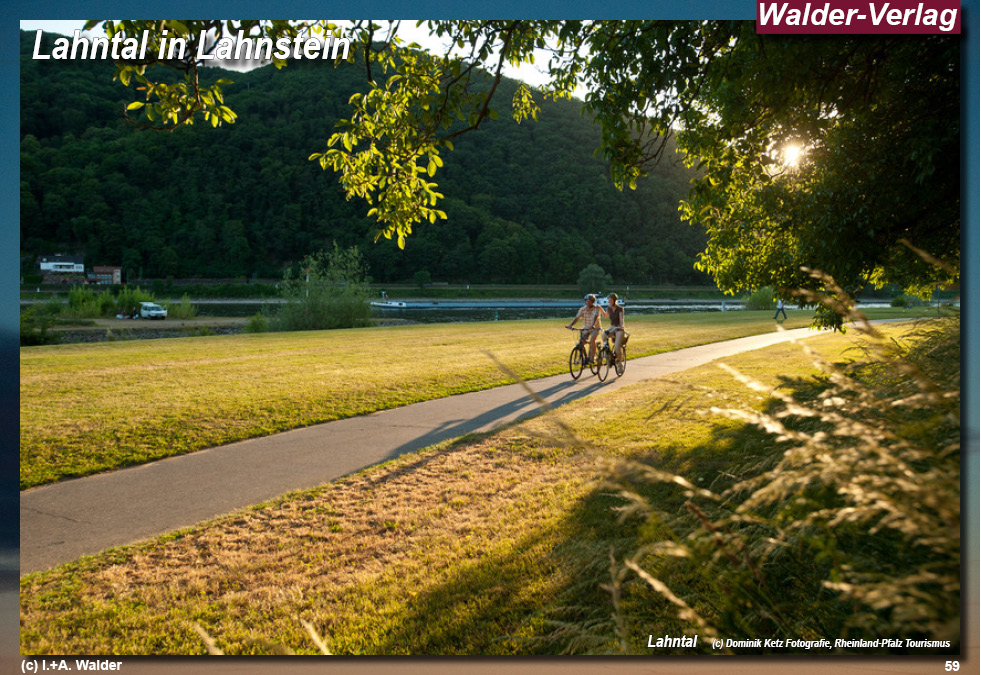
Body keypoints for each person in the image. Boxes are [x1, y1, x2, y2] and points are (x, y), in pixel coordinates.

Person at [567, 294, 606, 363]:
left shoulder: (596, 308)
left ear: (593, 302)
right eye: (586, 301)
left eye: (589, 301)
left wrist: (592, 325)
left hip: (595, 328)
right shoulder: (582, 309)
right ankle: (586, 355)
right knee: (580, 343)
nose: (587, 303)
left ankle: (592, 358)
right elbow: (576, 318)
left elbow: (595, 317)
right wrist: (570, 325)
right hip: (585, 328)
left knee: (592, 339)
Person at [603, 293, 627, 363]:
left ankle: (619, 364)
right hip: (612, 327)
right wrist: (599, 308)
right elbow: (605, 315)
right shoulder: (609, 308)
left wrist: (620, 326)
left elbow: (621, 321)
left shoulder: (620, 309)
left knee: (617, 347)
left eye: (610, 300)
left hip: (619, 328)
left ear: (614, 300)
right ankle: (608, 353)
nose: (609, 301)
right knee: (603, 335)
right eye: (608, 300)